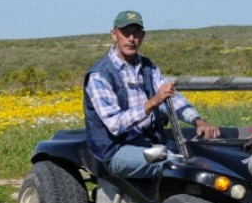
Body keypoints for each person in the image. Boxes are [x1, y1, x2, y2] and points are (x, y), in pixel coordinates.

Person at [84, 10, 219, 180]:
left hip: (150, 141)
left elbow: (171, 98)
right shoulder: (100, 75)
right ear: (114, 35)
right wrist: (154, 101)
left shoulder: (148, 67)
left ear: (142, 35)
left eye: (136, 33)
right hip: (116, 149)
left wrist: (198, 121)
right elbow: (115, 125)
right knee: (173, 164)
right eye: (126, 33)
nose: (131, 39)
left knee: (206, 157)